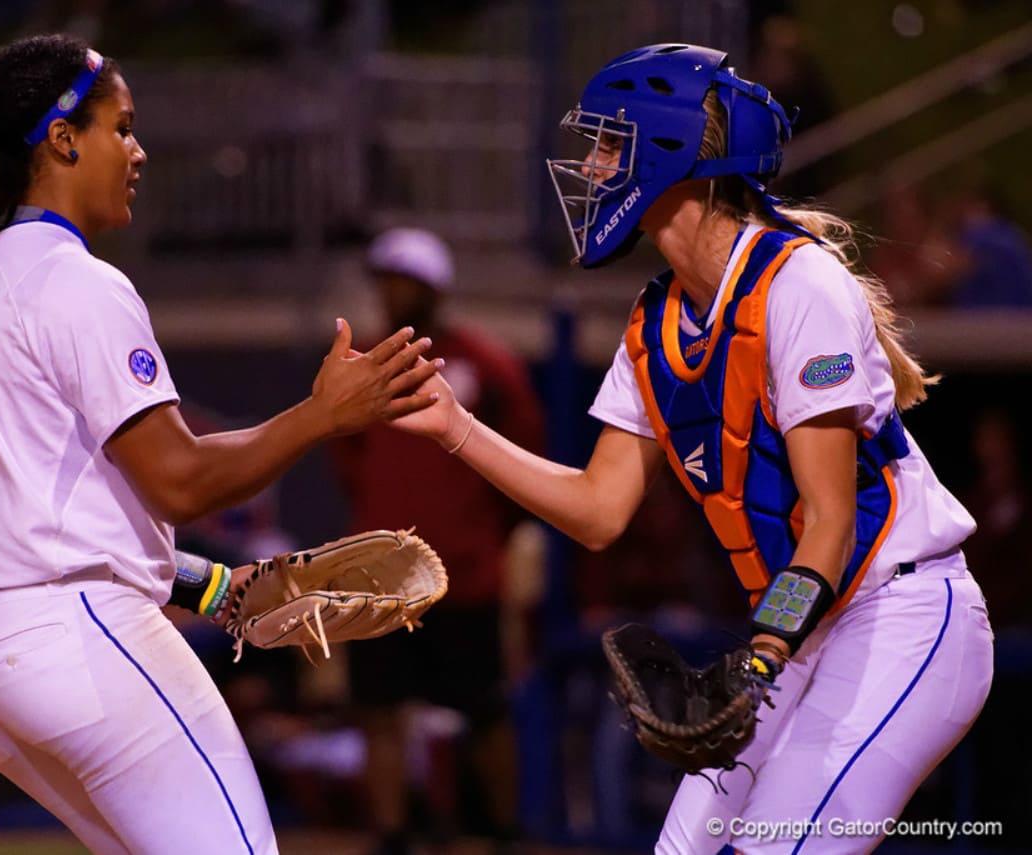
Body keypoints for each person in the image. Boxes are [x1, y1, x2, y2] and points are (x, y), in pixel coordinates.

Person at [391, 43, 993, 854]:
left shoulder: (798, 284)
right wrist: (455, 427)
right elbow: (600, 511)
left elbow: (829, 523)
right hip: (805, 630)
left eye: (610, 143)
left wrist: (761, 655)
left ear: (669, 149)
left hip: (905, 616)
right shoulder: (657, 321)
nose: (592, 165)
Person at [0, 34, 440, 855]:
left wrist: (213, 585)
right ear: (62, 137)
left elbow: (61, 510)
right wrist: (323, 413)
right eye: (122, 126)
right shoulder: (74, 278)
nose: (138, 150)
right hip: (78, 633)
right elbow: (180, 482)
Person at [331, 227, 545, 855]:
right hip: (380, 578)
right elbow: (346, 460)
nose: (393, 292)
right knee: (379, 708)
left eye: (406, 281)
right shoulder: (358, 367)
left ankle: (504, 833)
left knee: (484, 708)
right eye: (386, 280)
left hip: (465, 572)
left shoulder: (486, 364)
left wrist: (483, 537)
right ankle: (392, 835)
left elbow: (525, 457)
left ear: (434, 290)